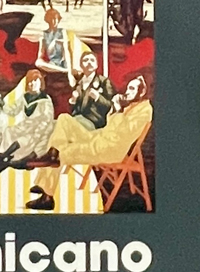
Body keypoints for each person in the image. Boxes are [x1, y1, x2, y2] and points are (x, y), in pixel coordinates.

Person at [27, 72, 148, 211]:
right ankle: (47, 174)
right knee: (64, 120)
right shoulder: (131, 105)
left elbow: (125, 133)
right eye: (128, 88)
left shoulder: (144, 111)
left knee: (61, 152)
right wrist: (115, 110)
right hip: (99, 138)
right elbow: (110, 125)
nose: (127, 91)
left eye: (132, 89)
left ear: (142, 91)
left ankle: (47, 197)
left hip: (108, 149)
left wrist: (118, 109)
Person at [0, 68, 56, 164]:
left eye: (36, 81)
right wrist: (2, 106)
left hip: (38, 127)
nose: (33, 84)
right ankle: (5, 155)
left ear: (40, 82)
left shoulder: (46, 99)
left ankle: (11, 157)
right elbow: (14, 109)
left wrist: (39, 131)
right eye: (30, 81)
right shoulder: (25, 97)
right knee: (9, 131)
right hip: (25, 125)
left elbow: (47, 119)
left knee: (25, 140)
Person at [35, 7, 71, 75]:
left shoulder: (62, 32)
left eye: (55, 19)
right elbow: (40, 55)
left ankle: (65, 68)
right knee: (38, 62)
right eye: (51, 19)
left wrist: (58, 42)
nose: (53, 21)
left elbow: (67, 48)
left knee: (65, 45)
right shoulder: (44, 35)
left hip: (64, 60)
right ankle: (63, 70)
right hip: (52, 63)